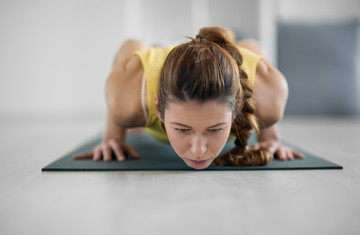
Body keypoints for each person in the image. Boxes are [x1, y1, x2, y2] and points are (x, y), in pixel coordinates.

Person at [73, 26, 304, 169]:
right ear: (159, 109)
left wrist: (270, 132)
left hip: (230, 62)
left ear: (236, 109)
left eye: (215, 129)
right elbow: (129, 46)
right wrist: (112, 136)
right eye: (182, 129)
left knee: (248, 49)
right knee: (135, 50)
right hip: (152, 69)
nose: (198, 150)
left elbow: (252, 47)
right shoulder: (128, 97)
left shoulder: (269, 96)